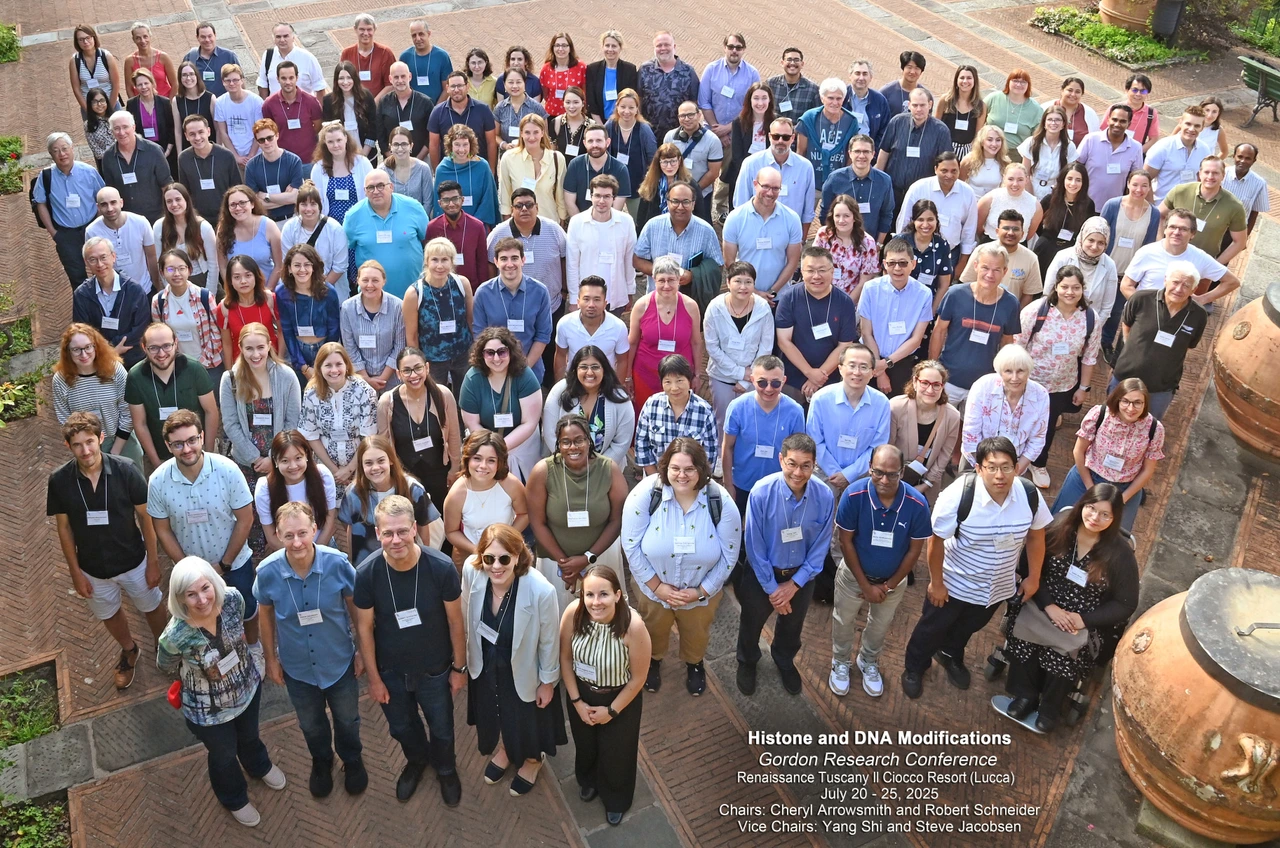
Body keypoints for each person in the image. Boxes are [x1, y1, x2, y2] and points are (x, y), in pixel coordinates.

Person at [900, 435, 1051, 699]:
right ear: (979, 469)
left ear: (1017, 468)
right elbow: (935, 541)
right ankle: (914, 667)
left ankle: (950, 655)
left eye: (1006, 466)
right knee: (931, 629)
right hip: (954, 585)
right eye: (991, 467)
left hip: (996, 588)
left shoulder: (1029, 495)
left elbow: (1036, 537)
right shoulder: (958, 496)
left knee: (968, 628)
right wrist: (936, 583)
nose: (999, 474)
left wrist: (1033, 578)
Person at [352, 494, 465, 805]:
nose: (396, 539)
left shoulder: (440, 567)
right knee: (402, 726)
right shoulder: (366, 573)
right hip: (391, 672)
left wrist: (459, 669)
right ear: (377, 534)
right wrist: (374, 679)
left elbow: (457, 623)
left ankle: (445, 768)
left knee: (441, 727)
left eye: (402, 531)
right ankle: (416, 761)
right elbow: (364, 629)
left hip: (435, 670)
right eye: (387, 533)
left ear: (415, 528)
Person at [158, 557, 284, 827]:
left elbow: (238, 630)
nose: (202, 599)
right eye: (191, 595)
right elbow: (165, 665)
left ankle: (259, 766)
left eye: (205, 588)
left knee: (250, 736)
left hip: (246, 688)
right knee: (224, 755)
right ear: (179, 598)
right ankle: (234, 797)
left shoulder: (232, 599)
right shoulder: (174, 636)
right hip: (208, 711)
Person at [1002, 484, 1138, 731]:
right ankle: (1025, 695)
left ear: (1114, 517)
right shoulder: (1059, 528)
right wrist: (1049, 606)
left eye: (1105, 514)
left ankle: (1050, 709)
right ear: (1083, 505)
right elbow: (1030, 566)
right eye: (1091, 509)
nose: (1095, 518)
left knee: (1063, 655)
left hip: (1081, 620)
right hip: (1043, 606)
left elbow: (1126, 603)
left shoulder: (1119, 554)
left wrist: (1083, 619)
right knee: (1024, 640)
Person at [253, 502, 366, 797]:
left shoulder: (337, 564)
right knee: (311, 725)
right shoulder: (267, 572)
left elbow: (356, 609)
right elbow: (264, 614)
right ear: (277, 534)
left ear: (315, 529)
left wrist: (362, 651)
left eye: (303, 532)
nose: (297, 542)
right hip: (298, 668)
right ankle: (322, 760)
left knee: (348, 719)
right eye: (288, 535)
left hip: (338, 662)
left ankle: (352, 759)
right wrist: (270, 659)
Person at [49, 412, 167, 691]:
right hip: (93, 567)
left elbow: (145, 517)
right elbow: (64, 529)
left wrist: (153, 561)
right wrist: (75, 572)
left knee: (152, 606)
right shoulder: (59, 481)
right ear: (68, 446)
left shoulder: (126, 470)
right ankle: (129, 650)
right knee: (109, 614)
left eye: (89, 441)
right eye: (77, 445)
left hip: (134, 560)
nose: (85, 450)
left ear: (101, 438)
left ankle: (165, 647)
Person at [623, 438, 741, 696]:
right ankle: (653, 660)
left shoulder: (720, 502)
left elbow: (729, 556)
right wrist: (658, 587)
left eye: (690, 469)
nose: (682, 475)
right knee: (652, 627)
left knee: (696, 632)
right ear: (665, 468)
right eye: (675, 468)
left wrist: (701, 591)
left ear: (701, 469)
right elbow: (630, 546)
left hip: (701, 594)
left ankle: (694, 663)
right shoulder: (645, 495)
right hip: (652, 590)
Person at [461, 524, 565, 794]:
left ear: (518, 557)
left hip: (523, 669)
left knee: (526, 718)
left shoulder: (541, 591)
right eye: (489, 558)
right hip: (485, 666)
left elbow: (550, 640)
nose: (496, 566)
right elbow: (465, 617)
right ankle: (507, 749)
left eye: (504, 558)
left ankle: (532, 759)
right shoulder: (472, 573)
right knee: (497, 711)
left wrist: (547, 682)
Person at [829, 444, 932, 697]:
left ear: (903, 471)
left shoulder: (917, 504)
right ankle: (840, 661)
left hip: (892, 583)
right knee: (843, 621)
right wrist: (865, 586)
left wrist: (887, 586)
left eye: (892, 474)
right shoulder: (853, 495)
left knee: (880, 625)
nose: (884, 480)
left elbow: (913, 552)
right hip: (853, 577)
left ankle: (868, 661)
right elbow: (846, 542)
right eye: (877, 472)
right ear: (869, 469)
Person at [148, 408, 257, 645]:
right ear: (168, 446)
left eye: (191, 440)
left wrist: (224, 563)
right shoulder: (157, 481)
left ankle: (253, 646)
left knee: (247, 609)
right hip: (191, 575)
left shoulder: (227, 470)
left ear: (202, 436)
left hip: (235, 564)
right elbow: (163, 530)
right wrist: (190, 569)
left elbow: (246, 518)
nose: (186, 449)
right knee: (201, 617)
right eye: (178, 444)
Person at [735, 432, 833, 696]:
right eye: (792, 463)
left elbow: (821, 546)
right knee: (751, 621)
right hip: (762, 575)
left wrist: (794, 584)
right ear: (781, 460)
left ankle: (784, 659)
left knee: (793, 625)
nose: (798, 472)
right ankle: (747, 661)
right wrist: (773, 589)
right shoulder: (761, 493)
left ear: (814, 464)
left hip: (801, 577)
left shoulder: (824, 496)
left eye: (805, 465)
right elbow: (754, 547)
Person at [560, 563, 649, 825]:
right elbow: (565, 660)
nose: (596, 602)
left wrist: (611, 712)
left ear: (618, 595)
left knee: (617, 752)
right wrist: (577, 702)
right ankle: (588, 780)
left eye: (603, 594)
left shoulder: (633, 626)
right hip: (582, 693)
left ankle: (616, 798)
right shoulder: (572, 614)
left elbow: (638, 678)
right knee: (585, 744)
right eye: (590, 594)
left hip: (620, 699)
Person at [526, 414, 629, 612]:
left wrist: (587, 557)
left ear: (589, 441)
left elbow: (617, 520)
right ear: (558, 444)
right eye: (566, 442)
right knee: (557, 619)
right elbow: (537, 523)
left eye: (579, 440)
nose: (573, 447)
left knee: (602, 616)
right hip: (555, 563)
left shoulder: (609, 469)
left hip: (601, 558)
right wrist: (566, 565)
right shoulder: (543, 471)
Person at [219, 322, 302, 561]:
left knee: (283, 512)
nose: (255, 354)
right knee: (251, 518)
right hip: (247, 464)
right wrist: (256, 458)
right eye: (249, 349)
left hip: (283, 462)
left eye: (260, 348)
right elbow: (231, 423)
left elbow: (292, 420)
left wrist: (273, 459)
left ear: (269, 346)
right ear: (240, 348)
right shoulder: (230, 379)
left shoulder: (286, 376)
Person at [1017, 265, 1100, 487]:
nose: (1070, 292)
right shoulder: (1036, 311)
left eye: (1076, 287)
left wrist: (1083, 388)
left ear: (1083, 289)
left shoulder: (1090, 318)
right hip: (1028, 382)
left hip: (1062, 385)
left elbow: (1090, 357)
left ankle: (1038, 463)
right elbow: (1017, 346)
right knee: (1018, 421)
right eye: (1065, 287)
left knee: (1048, 425)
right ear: (1056, 287)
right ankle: (1013, 460)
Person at [1053, 378, 1163, 532]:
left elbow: (1147, 470)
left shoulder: (1154, 429)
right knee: (1060, 526)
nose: (1131, 408)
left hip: (1125, 488)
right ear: (1117, 399)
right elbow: (1079, 451)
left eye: (1137, 402)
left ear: (1145, 404)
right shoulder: (1100, 414)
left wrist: (1121, 500)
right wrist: (1091, 489)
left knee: (1114, 541)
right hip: (1087, 477)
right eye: (1125, 401)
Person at [1113, 261, 1207, 420]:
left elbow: (1188, 346)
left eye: (1186, 285)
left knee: (1148, 429)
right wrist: (1134, 353)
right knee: (1112, 419)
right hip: (1125, 377)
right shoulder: (1141, 299)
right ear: (1165, 280)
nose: (1178, 289)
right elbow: (1126, 326)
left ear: (1194, 289)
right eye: (1175, 282)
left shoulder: (1199, 315)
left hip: (1161, 387)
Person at [930, 242, 1022, 404]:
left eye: (996, 270)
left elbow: (1007, 342)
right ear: (976, 266)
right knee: (942, 426)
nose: (990, 275)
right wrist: (933, 369)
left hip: (985, 384)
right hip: (949, 379)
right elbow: (939, 331)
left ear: (1004, 271)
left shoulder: (1011, 303)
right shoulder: (955, 294)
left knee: (973, 429)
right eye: (985, 268)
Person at [377, 347, 462, 517]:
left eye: (418, 368)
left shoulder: (443, 395)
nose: (413, 375)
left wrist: (454, 468)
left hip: (440, 473)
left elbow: (454, 435)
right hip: (405, 476)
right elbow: (384, 444)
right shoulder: (387, 402)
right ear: (398, 374)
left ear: (427, 368)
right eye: (406, 371)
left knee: (443, 523)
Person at [807, 344, 892, 512]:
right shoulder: (821, 399)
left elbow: (877, 447)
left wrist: (849, 474)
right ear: (840, 369)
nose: (857, 372)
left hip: (862, 477)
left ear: (873, 371)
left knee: (855, 531)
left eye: (864, 367)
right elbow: (814, 441)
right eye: (851, 365)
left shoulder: (881, 403)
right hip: (824, 474)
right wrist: (835, 472)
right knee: (820, 526)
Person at [125, 322, 219, 467]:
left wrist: (209, 453)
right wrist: (157, 463)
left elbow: (211, 411)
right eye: (154, 348)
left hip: (197, 453)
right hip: (160, 457)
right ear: (144, 348)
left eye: (166, 346)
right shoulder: (135, 376)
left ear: (175, 343)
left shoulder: (194, 369)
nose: (161, 354)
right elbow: (140, 424)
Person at [721, 355, 807, 513]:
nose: (768, 389)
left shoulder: (795, 411)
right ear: (752, 380)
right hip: (742, 483)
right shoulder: (737, 407)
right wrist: (728, 484)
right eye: (762, 382)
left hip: (779, 486)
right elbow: (727, 447)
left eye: (775, 383)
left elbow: (798, 453)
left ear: (784, 380)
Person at [337, 436, 441, 565]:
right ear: (361, 465)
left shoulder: (412, 489)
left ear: (391, 460)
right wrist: (354, 562)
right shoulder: (353, 493)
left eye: (381, 461)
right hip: (369, 563)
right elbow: (350, 528)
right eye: (368, 463)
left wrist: (425, 559)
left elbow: (423, 526)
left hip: (406, 560)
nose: (375, 467)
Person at [774, 246, 858, 405]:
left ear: (832, 271)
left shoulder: (844, 302)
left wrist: (819, 376)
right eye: (810, 270)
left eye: (822, 270)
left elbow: (845, 344)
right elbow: (784, 341)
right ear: (802, 272)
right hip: (793, 377)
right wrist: (809, 373)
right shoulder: (789, 298)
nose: (816, 276)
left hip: (830, 378)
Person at [459, 328, 545, 480]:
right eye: (490, 353)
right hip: (484, 447)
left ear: (510, 352)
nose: (496, 358)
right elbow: (472, 424)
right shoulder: (472, 379)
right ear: (482, 354)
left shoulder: (525, 375)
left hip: (522, 448)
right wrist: (490, 449)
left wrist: (500, 447)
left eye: (502, 351)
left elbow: (529, 423)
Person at [704, 263, 776, 436]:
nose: (743, 287)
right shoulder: (715, 308)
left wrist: (747, 379)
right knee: (722, 421)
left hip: (753, 378)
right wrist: (739, 373)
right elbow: (712, 347)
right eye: (738, 281)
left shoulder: (763, 308)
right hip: (721, 376)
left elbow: (766, 347)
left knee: (750, 422)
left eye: (748, 282)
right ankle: (722, 459)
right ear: (728, 282)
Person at [626, 256, 705, 415]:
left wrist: (697, 374)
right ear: (654, 280)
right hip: (646, 374)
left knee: (679, 415)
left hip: (680, 377)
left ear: (679, 280)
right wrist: (627, 376)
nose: (666, 285)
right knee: (644, 416)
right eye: (661, 280)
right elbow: (632, 342)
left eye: (671, 280)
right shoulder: (642, 305)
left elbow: (696, 342)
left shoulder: (690, 306)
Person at [54, 324, 142, 464]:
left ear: (96, 346)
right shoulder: (61, 380)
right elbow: (65, 419)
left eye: (88, 347)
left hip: (121, 441)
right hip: (87, 448)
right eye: (76, 350)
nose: (83, 354)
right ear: (68, 352)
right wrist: (86, 448)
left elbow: (128, 412)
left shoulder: (115, 370)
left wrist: (115, 452)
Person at [299, 342, 378, 497]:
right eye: (328, 365)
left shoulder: (364, 391)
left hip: (360, 466)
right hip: (326, 468)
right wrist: (335, 471)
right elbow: (311, 435)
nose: (334, 370)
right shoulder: (311, 393)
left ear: (347, 366)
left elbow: (369, 436)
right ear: (319, 368)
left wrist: (349, 469)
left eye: (338, 364)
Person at [960, 344, 1049, 479]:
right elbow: (971, 434)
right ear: (1000, 371)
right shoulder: (983, 387)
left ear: (1029, 371)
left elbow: (1037, 439)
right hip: (976, 462)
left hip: (1015, 466)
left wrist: (1014, 472)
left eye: (1020, 371)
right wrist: (986, 471)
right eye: (1008, 371)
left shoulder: (1040, 395)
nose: (1015, 378)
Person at [857, 238, 934, 395]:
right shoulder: (870, 288)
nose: (897, 268)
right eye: (892, 263)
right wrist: (879, 369)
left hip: (901, 363)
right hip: (869, 358)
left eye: (903, 263)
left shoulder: (924, 294)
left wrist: (885, 364)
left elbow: (916, 339)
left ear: (913, 264)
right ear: (884, 264)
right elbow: (866, 332)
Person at [471, 238, 554, 383]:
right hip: (494, 372)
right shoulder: (483, 293)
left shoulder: (540, 291)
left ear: (523, 260)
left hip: (530, 371)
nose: (509, 264)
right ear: (496, 262)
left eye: (514, 258)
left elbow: (543, 335)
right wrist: (496, 367)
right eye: (504, 259)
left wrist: (524, 368)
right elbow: (480, 335)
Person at [632, 180, 724, 307]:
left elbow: (718, 266)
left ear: (693, 204)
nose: (680, 207)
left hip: (690, 302)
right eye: (675, 201)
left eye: (686, 202)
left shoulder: (706, 231)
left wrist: (693, 276)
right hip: (656, 300)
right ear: (667, 202)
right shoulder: (653, 226)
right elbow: (637, 260)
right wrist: (665, 274)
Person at [1120, 209, 1237, 308]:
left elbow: (1232, 282)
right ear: (1165, 229)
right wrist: (1145, 308)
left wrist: (1202, 299)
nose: (1176, 232)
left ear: (1193, 234)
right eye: (1172, 227)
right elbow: (1126, 285)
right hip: (1141, 316)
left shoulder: (1200, 258)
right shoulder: (1147, 252)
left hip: (1174, 321)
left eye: (1183, 229)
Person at [342, 170, 430, 299]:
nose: (376, 191)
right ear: (365, 191)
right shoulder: (353, 216)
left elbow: (427, 242)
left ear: (391, 187)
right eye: (371, 187)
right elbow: (348, 250)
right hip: (372, 295)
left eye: (381, 185)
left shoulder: (413, 207)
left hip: (413, 293)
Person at [34, 132, 106, 289]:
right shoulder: (46, 176)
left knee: (103, 271)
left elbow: (102, 197)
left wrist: (99, 222)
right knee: (77, 279)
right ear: (51, 154)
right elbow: (40, 203)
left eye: (65, 148)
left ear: (72, 149)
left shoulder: (88, 171)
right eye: (56, 150)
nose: (62, 154)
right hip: (66, 235)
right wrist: (54, 232)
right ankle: (86, 312)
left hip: (92, 228)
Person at [443, 431, 529, 561]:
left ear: (500, 462)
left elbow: (524, 514)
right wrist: (477, 550)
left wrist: (506, 539)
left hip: (508, 553)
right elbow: (451, 532)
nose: (483, 466)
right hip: (471, 556)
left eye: (491, 460)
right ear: (467, 458)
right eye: (477, 458)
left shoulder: (511, 484)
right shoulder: (456, 494)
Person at [404, 236, 475, 393]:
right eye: (435, 260)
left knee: (466, 400)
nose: (440, 265)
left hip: (463, 355)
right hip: (432, 360)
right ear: (426, 262)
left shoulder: (462, 284)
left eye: (445, 260)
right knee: (437, 402)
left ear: (452, 262)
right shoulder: (414, 293)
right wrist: (418, 365)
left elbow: (471, 321)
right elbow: (412, 335)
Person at [544, 345, 635, 466]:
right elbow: (549, 433)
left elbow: (622, 442)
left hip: (606, 468)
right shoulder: (559, 391)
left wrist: (597, 468)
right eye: (583, 367)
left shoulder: (620, 397)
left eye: (595, 367)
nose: (589, 372)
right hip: (564, 465)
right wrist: (570, 461)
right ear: (575, 370)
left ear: (605, 370)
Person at [723, 166, 805, 298]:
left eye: (775, 188)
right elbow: (730, 263)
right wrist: (755, 292)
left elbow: (793, 262)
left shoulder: (792, 219)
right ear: (755, 185)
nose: (770, 193)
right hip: (744, 295)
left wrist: (772, 292)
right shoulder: (735, 218)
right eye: (765, 186)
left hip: (779, 297)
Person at [888, 360, 962, 504]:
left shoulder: (952, 416)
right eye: (925, 383)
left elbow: (945, 455)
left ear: (943, 387)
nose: (930, 390)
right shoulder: (896, 407)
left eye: (936, 385)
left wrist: (927, 484)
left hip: (928, 483)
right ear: (915, 382)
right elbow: (887, 447)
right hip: (893, 481)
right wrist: (893, 480)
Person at [73, 236, 152, 368]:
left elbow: (141, 328)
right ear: (86, 262)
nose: (100, 264)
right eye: (93, 259)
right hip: (100, 360)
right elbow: (82, 332)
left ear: (113, 257)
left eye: (103, 257)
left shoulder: (134, 290)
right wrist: (109, 351)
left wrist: (113, 345)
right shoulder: (82, 295)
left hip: (134, 359)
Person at [635, 354, 718, 475]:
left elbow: (710, 452)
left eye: (679, 380)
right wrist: (655, 479)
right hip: (655, 476)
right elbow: (641, 443)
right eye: (668, 382)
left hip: (691, 480)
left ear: (689, 380)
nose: (674, 388)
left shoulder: (704, 411)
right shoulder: (651, 405)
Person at [253, 430, 336, 551]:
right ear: (275, 461)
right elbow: (271, 538)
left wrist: (314, 554)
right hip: (287, 554)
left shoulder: (323, 476)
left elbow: (329, 522)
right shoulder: (265, 488)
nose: (293, 466)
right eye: (285, 461)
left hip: (323, 547)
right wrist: (298, 556)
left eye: (298, 458)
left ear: (307, 455)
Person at [895, 153, 974, 277]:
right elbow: (904, 221)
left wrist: (962, 262)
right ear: (935, 169)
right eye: (944, 170)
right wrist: (900, 253)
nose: (949, 175)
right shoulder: (918, 188)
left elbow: (969, 229)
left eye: (954, 171)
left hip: (950, 255)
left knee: (942, 292)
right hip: (915, 253)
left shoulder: (967, 193)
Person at [876, 88, 953, 215]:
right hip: (893, 193)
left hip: (922, 196)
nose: (918, 109)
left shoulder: (941, 131)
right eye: (915, 105)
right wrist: (878, 182)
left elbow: (944, 165)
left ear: (930, 105)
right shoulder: (896, 122)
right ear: (909, 105)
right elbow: (884, 153)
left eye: (922, 105)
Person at [566, 179, 637, 316]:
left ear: (614, 198)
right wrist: (575, 298)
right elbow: (572, 264)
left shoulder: (626, 222)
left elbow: (629, 260)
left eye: (606, 196)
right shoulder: (577, 222)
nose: (601, 201)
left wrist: (630, 291)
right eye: (597, 195)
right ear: (591, 196)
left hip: (616, 295)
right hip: (586, 299)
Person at [1161, 156, 1247, 267]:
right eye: (1206, 172)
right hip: (1168, 258)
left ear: (1223, 176)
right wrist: (1160, 243)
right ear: (1200, 174)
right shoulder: (1180, 191)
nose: (1210, 177)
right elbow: (1160, 216)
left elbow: (1240, 242)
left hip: (1202, 266)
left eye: (1215, 173)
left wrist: (1215, 266)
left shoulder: (1235, 206)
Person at [151, 248, 223, 377]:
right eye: (170, 269)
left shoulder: (205, 297)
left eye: (181, 268)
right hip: (177, 368)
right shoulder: (158, 302)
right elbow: (160, 338)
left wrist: (201, 363)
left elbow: (217, 334)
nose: (176, 273)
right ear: (162, 272)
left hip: (209, 365)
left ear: (189, 270)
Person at [731, 117, 816, 226]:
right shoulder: (750, 164)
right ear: (769, 137)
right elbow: (740, 204)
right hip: (756, 230)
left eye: (785, 137)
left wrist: (802, 239)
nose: (780, 141)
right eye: (776, 136)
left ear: (792, 138)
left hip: (791, 233)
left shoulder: (805, 167)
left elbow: (808, 211)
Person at [275, 243, 341, 379]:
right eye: (297, 265)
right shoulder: (282, 293)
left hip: (324, 350)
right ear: (289, 269)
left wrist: (322, 362)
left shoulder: (328, 292)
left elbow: (334, 330)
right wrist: (303, 366)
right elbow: (287, 331)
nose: (302, 269)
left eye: (307, 264)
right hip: (297, 352)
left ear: (314, 267)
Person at [340, 260, 404, 393]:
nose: (370, 285)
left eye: (375, 280)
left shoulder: (398, 306)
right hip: (359, 380)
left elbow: (400, 346)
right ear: (357, 281)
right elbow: (349, 347)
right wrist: (365, 379)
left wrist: (383, 378)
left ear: (384, 281)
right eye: (365, 280)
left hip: (392, 379)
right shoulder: (347, 308)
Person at [1044, 216, 1119, 327]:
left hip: (1090, 325)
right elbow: (1048, 292)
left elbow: (1107, 307)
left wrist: (1093, 329)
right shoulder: (1063, 257)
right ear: (1082, 238)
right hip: (1056, 322)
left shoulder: (1110, 265)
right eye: (1091, 240)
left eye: (1101, 243)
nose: (1094, 247)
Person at [818, 134, 894, 241]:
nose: (861, 156)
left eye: (866, 152)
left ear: (873, 154)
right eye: (857, 151)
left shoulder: (884, 181)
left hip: (870, 246)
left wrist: (878, 245)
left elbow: (886, 215)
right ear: (850, 153)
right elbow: (825, 213)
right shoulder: (835, 179)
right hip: (839, 245)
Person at [102, 110, 171, 224]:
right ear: (112, 132)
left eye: (125, 127)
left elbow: (166, 185)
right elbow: (111, 190)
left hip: (156, 217)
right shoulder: (108, 157)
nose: (121, 132)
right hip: (126, 220)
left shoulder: (154, 151)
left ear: (133, 127)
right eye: (116, 128)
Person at [87, 185, 161, 292]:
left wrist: (156, 285)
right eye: (104, 204)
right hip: (114, 293)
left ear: (121, 202)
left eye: (113, 202)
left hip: (144, 289)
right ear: (98, 207)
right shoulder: (92, 231)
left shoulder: (140, 222)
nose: (109, 208)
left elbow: (152, 256)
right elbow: (94, 265)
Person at [796, 78, 861, 199]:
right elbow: (801, 152)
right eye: (830, 98)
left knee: (834, 217)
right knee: (804, 216)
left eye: (839, 98)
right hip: (811, 181)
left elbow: (851, 154)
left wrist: (846, 179)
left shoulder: (851, 121)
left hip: (838, 182)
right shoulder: (809, 118)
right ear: (822, 98)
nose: (835, 102)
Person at [554, 277, 631, 378]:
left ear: (605, 303)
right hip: (574, 382)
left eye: (597, 299)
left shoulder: (618, 327)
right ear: (578, 302)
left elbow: (622, 361)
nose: (591, 305)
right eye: (586, 299)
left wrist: (617, 390)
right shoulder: (565, 324)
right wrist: (560, 386)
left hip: (606, 383)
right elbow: (560, 355)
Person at [214, 255, 284, 363]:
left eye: (248, 275)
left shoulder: (270, 299)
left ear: (256, 276)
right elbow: (227, 343)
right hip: (242, 365)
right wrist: (230, 372)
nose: (243, 281)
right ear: (230, 281)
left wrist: (279, 360)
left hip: (271, 361)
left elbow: (281, 332)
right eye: (237, 277)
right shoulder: (224, 307)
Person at [495, 120, 568, 223]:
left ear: (543, 133)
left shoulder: (557, 158)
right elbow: (504, 194)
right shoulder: (508, 158)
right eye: (527, 132)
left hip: (549, 222)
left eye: (536, 132)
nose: (532, 137)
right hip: (519, 223)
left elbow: (560, 196)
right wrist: (508, 224)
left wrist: (562, 221)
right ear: (521, 133)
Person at [1075, 105, 1146, 210]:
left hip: (1115, 208)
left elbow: (1135, 178)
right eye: (1114, 119)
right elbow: (1076, 166)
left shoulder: (1136, 147)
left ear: (1129, 124)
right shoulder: (1091, 139)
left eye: (1122, 121)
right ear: (1108, 120)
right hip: (1085, 205)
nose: (1117, 124)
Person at [280, 182, 349, 290]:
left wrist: (318, 289)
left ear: (319, 206)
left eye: (313, 204)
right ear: (297, 206)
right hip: (298, 289)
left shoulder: (335, 229)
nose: (308, 209)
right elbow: (287, 261)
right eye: (303, 204)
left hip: (328, 289)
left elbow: (340, 266)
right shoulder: (289, 228)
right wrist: (303, 290)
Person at [814, 195, 881, 302]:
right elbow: (814, 268)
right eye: (837, 216)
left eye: (846, 216)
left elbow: (865, 281)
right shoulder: (823, 235)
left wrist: (846, 305)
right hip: (821, 298)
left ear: (854, 217)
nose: (841, 220)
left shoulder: (868, 242)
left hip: (851, 302)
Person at [1032, 162, 1095, 275]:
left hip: (1070, 250)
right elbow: (1036, 224)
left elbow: (1086, 231)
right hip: (1046, 248)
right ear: (1063, 179)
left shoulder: (1088, 204)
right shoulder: (1049, 199)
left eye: (1078, 180)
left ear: (1084, 182)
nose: (1073, 183)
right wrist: (1046, 237)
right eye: (1069, 178)